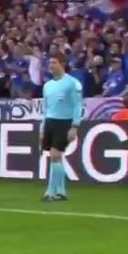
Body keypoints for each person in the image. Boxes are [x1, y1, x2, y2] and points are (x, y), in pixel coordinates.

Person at [40, 52, 83, 202]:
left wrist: (74, 126)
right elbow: (45, 108)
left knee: (55, 155)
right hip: (50, 122)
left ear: (62, 64)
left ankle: (50, 191)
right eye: (50, 62)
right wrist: (42, 128)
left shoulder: (72, 83)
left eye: (54, 62)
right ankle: (61, 190)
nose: (51, 65)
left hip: (64, 122)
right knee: (55, 158)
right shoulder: (47, 85)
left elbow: (78, 105)